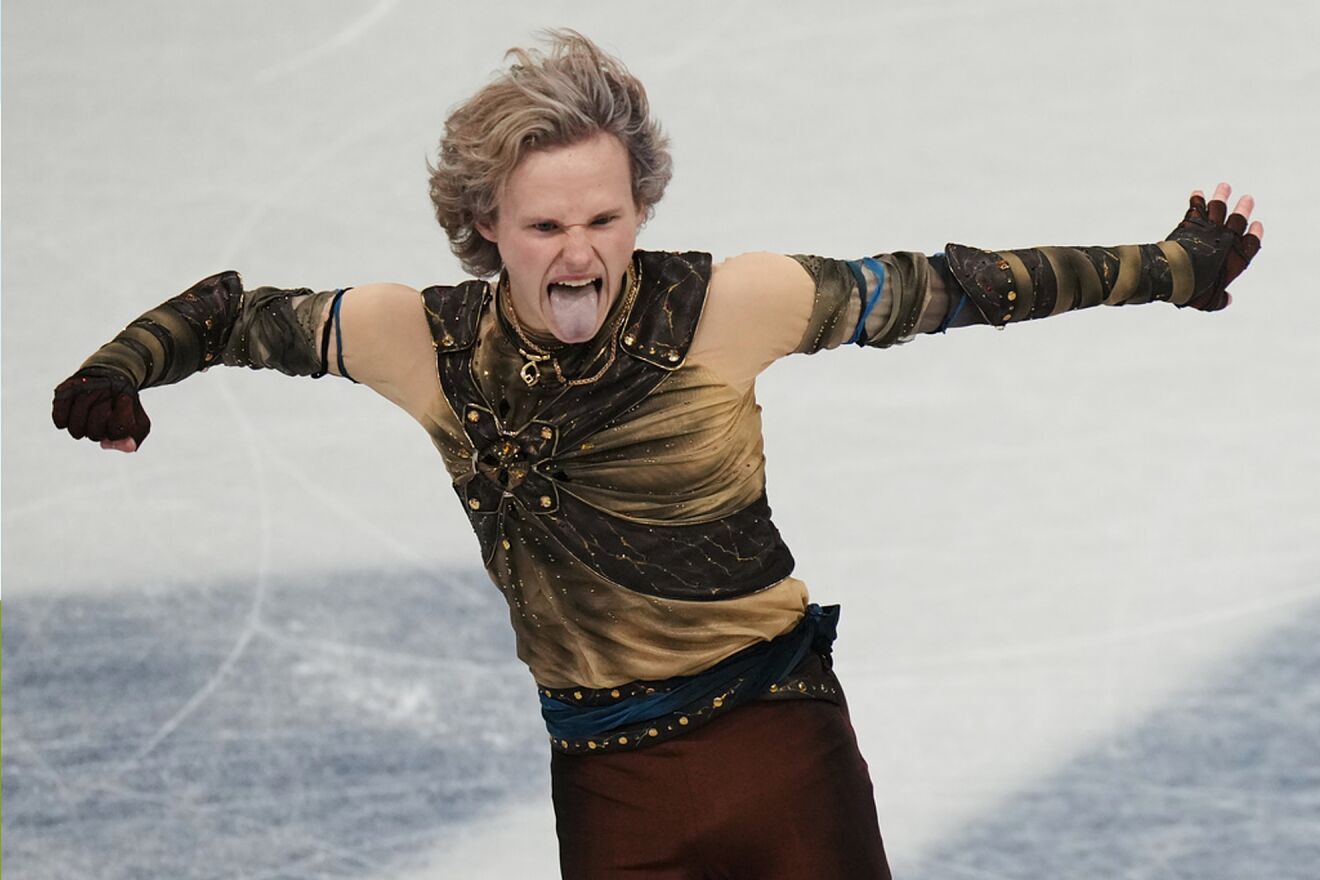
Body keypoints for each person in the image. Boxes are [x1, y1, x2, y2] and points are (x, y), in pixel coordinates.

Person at [52, 30, 1262, 880]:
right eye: (545, 226)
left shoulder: (733, 304)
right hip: (612, 787)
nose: (580, 254)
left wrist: (1174, 268)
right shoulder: (421, 340)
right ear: (485, 225)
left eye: (605, 218)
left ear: (640, 208)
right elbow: (228, 312)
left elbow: (961, 289)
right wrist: (122, 369)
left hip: (784, 749)